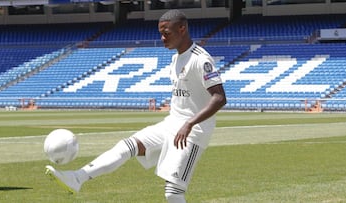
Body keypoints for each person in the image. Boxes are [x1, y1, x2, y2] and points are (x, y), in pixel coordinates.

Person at [45, 9, 226, 203]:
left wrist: (189, 124)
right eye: (160, 33)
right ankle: (77, 178)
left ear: (182, 29)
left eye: (167, 33)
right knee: (126, 147)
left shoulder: (200, 59)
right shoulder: (175, 58)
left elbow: (219, 98)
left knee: (173, 192)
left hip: (193, 132)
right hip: (171, 124)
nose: (163, 38)